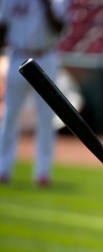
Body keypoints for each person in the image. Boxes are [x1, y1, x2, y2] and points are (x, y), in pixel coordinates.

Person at [0, 0, 69, 186]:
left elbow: (59, 28)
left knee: (46, 118)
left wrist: (46, 4)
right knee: (9, 116)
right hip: (17, 55)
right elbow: (2, 26)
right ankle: (3, 169)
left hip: (45, 56)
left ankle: (42, 173)